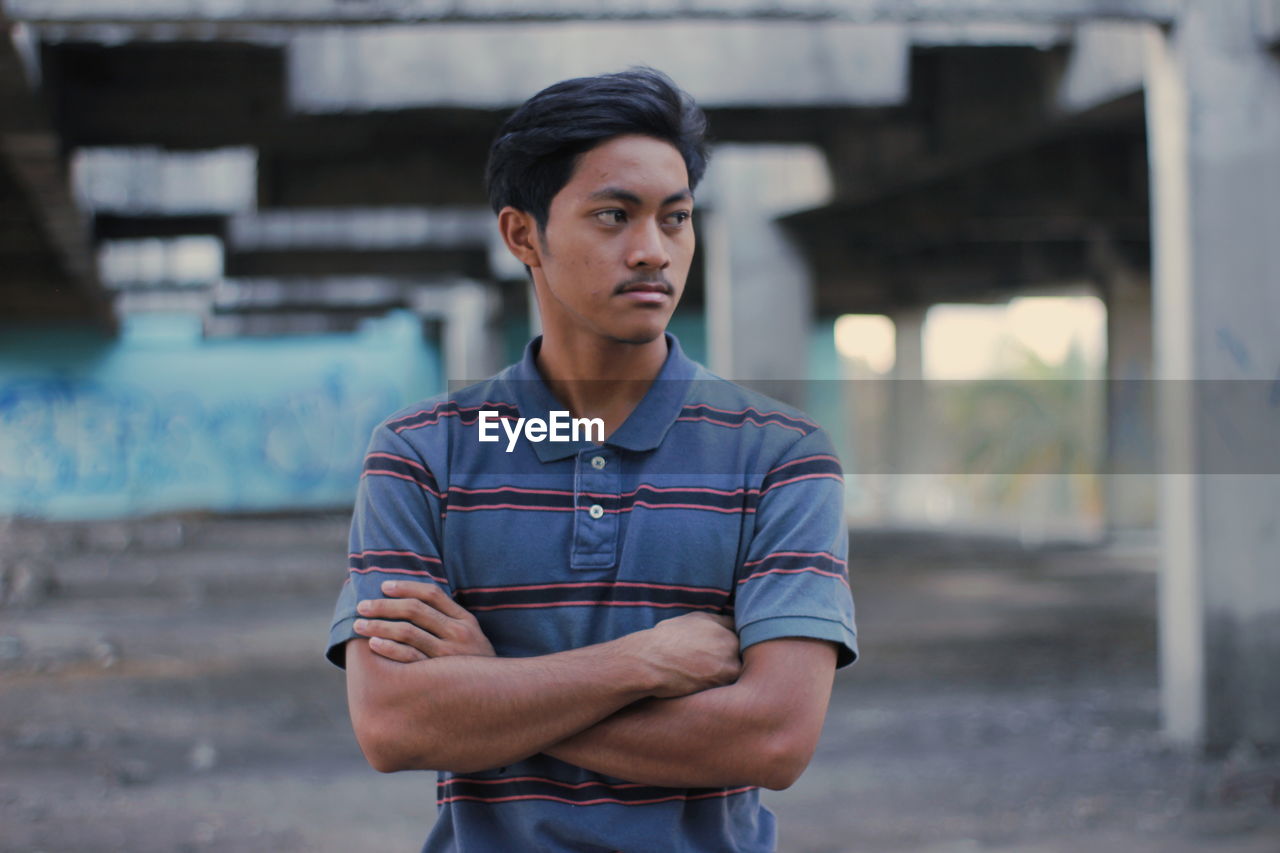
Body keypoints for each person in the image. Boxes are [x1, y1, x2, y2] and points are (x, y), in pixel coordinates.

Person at [325, 66, 858, 852]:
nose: (652, 251)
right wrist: (642, 662)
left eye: (674, 219)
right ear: (522, 235)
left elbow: (773, 739)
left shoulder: (779, 455)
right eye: (614, 215)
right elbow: (395, 724)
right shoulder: (420, 454)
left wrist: (491, 679)